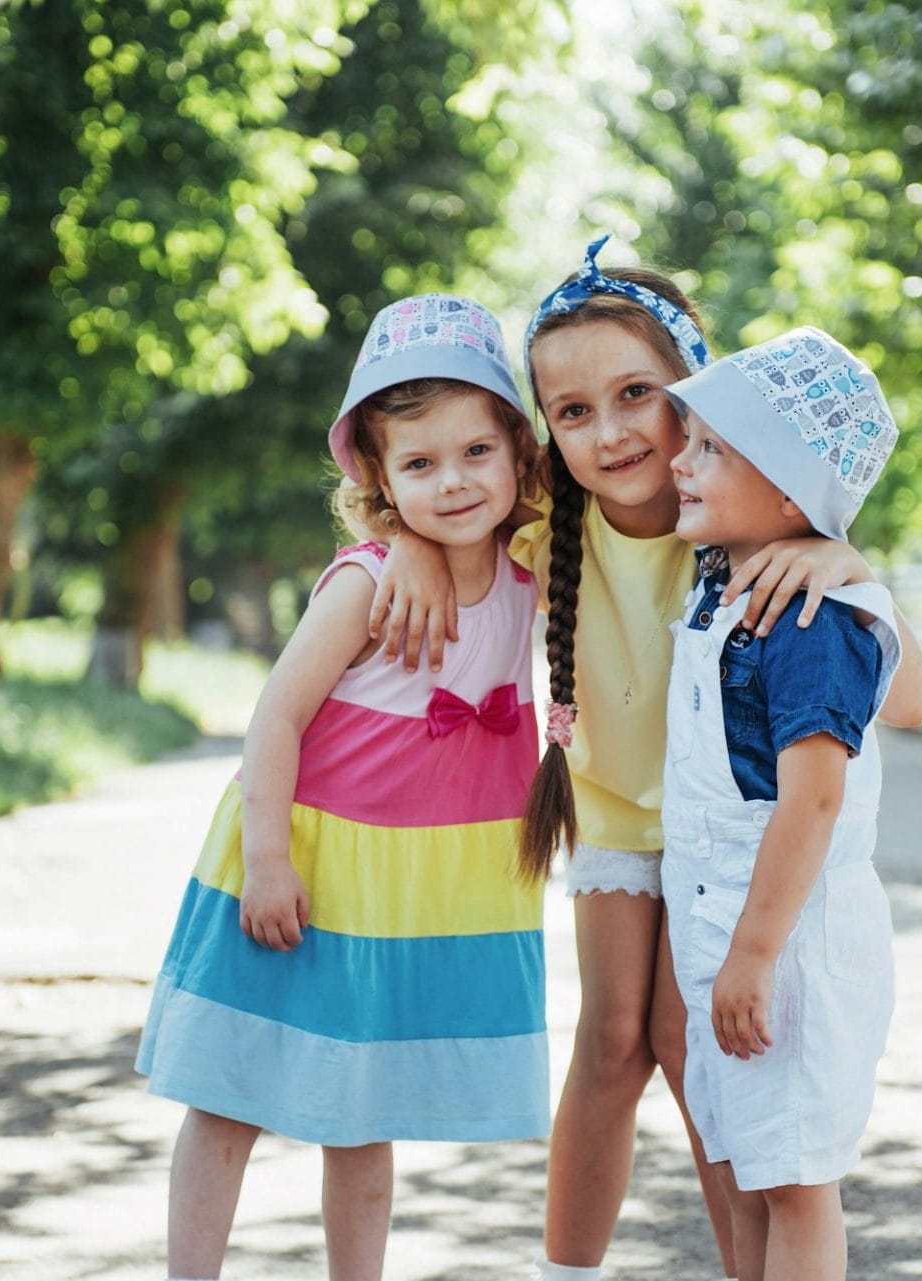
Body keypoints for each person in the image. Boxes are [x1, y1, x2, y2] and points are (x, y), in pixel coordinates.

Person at [373, 238, 922, 1281]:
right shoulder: (544, 528)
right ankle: (567, 1272)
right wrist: (409, 543)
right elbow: (432, 511)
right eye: (573, 412)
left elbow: (906, 698)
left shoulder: (742, 521)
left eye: (639, 393)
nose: (612, 431)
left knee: (702, 1049)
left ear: (700, 397)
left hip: (725, 841)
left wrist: (842, 555)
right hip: (615, 823)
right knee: (611, 1045)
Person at [136, 293, 550, 1281]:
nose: (452, 483)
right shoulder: (366, 583)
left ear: (519, 454)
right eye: (418, 465)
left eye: (475, 453)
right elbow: (275, 716)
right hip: (306, 860)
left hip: (410, 889)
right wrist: (268, 864)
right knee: (229, 1094)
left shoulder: (535, 568)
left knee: (365, 1113)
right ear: (376, 476)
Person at [661, 326, 905, 1281]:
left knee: (798, 1182)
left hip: (785, 941)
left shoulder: (810, 615)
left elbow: (813, 800)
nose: (678, 459)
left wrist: (753, 955)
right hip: (730, 928)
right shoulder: (726, 584)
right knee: (759, 1174)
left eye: (711, 447)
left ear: (793, 493)